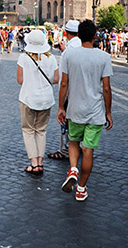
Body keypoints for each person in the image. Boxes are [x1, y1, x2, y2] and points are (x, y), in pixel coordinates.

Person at [57, 19, 113, 201]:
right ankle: (81, 188)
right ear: (95, 35)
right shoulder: (104, 57)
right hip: (95, 111)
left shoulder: (69, 55)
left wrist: (60, 107)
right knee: (88, 150)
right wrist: (108, 112)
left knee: (73, 141)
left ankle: (73, 169)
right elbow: (106, 88)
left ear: (79, 35)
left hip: (75, 109)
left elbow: (64, 83)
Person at [17, 30, 59, 174]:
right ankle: (40, 163)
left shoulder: (23, 58)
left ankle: (34, 164)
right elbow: (56, 79)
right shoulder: (51, 58)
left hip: (28, 97)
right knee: (41, 131)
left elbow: (20, 80)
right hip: (46, 98)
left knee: (28, 130)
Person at [48, 19, 81, 161]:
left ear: (66, 33)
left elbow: (64, 77)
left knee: (65, 121)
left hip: (70, 91)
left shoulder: (69, 51)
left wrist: (62, 99)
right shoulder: (82, 46)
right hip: (83, 91)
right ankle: (78, 146)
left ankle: (65, 150)